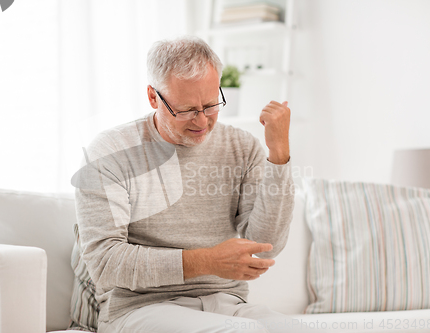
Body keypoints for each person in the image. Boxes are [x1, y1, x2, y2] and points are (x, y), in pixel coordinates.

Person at [74, 36, 295, 333]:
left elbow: (266, 246)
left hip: (227, 304)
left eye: (211, 104)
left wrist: (279, 156)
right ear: (153, 97)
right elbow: (104, 261)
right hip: (140, 309)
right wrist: (205, 261)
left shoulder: (241, 146)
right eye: (187, 109)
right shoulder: (110, 151)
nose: (202, 121)